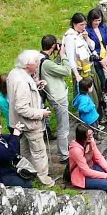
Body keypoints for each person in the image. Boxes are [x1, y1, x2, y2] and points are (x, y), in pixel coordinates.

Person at [7, 49, 54, 186]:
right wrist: (41, 113)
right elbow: (22, 108)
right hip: (30, 124)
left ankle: (29, 174)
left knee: (25, 150)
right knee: (38, 151)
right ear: (28, 65)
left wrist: (36, 85)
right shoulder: (22, 82)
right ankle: (44, 179)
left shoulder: (15, 73)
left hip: (18, 123)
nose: (39, 63)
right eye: (36, 62)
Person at [39, 34, 73, 162]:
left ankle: (63, 151)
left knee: (62, 126)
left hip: (53, 95)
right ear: (53, 46)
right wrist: (63, 54)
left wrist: (58, 57)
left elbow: (53, 68)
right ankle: (64, 154)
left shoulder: (41, 57)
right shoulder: (46, 63)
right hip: (58, 97)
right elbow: (67, 71)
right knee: (63, 127)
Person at [64, 13, 99, 91]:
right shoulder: (70, 37)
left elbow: (92, 47)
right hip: (81, 70)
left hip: (89, 65)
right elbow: (70, 58)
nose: (83, 27)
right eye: (81, 25)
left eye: (85, 25)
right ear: (74, 24)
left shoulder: (81, 34)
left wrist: (87, 38)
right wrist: (77, 75)